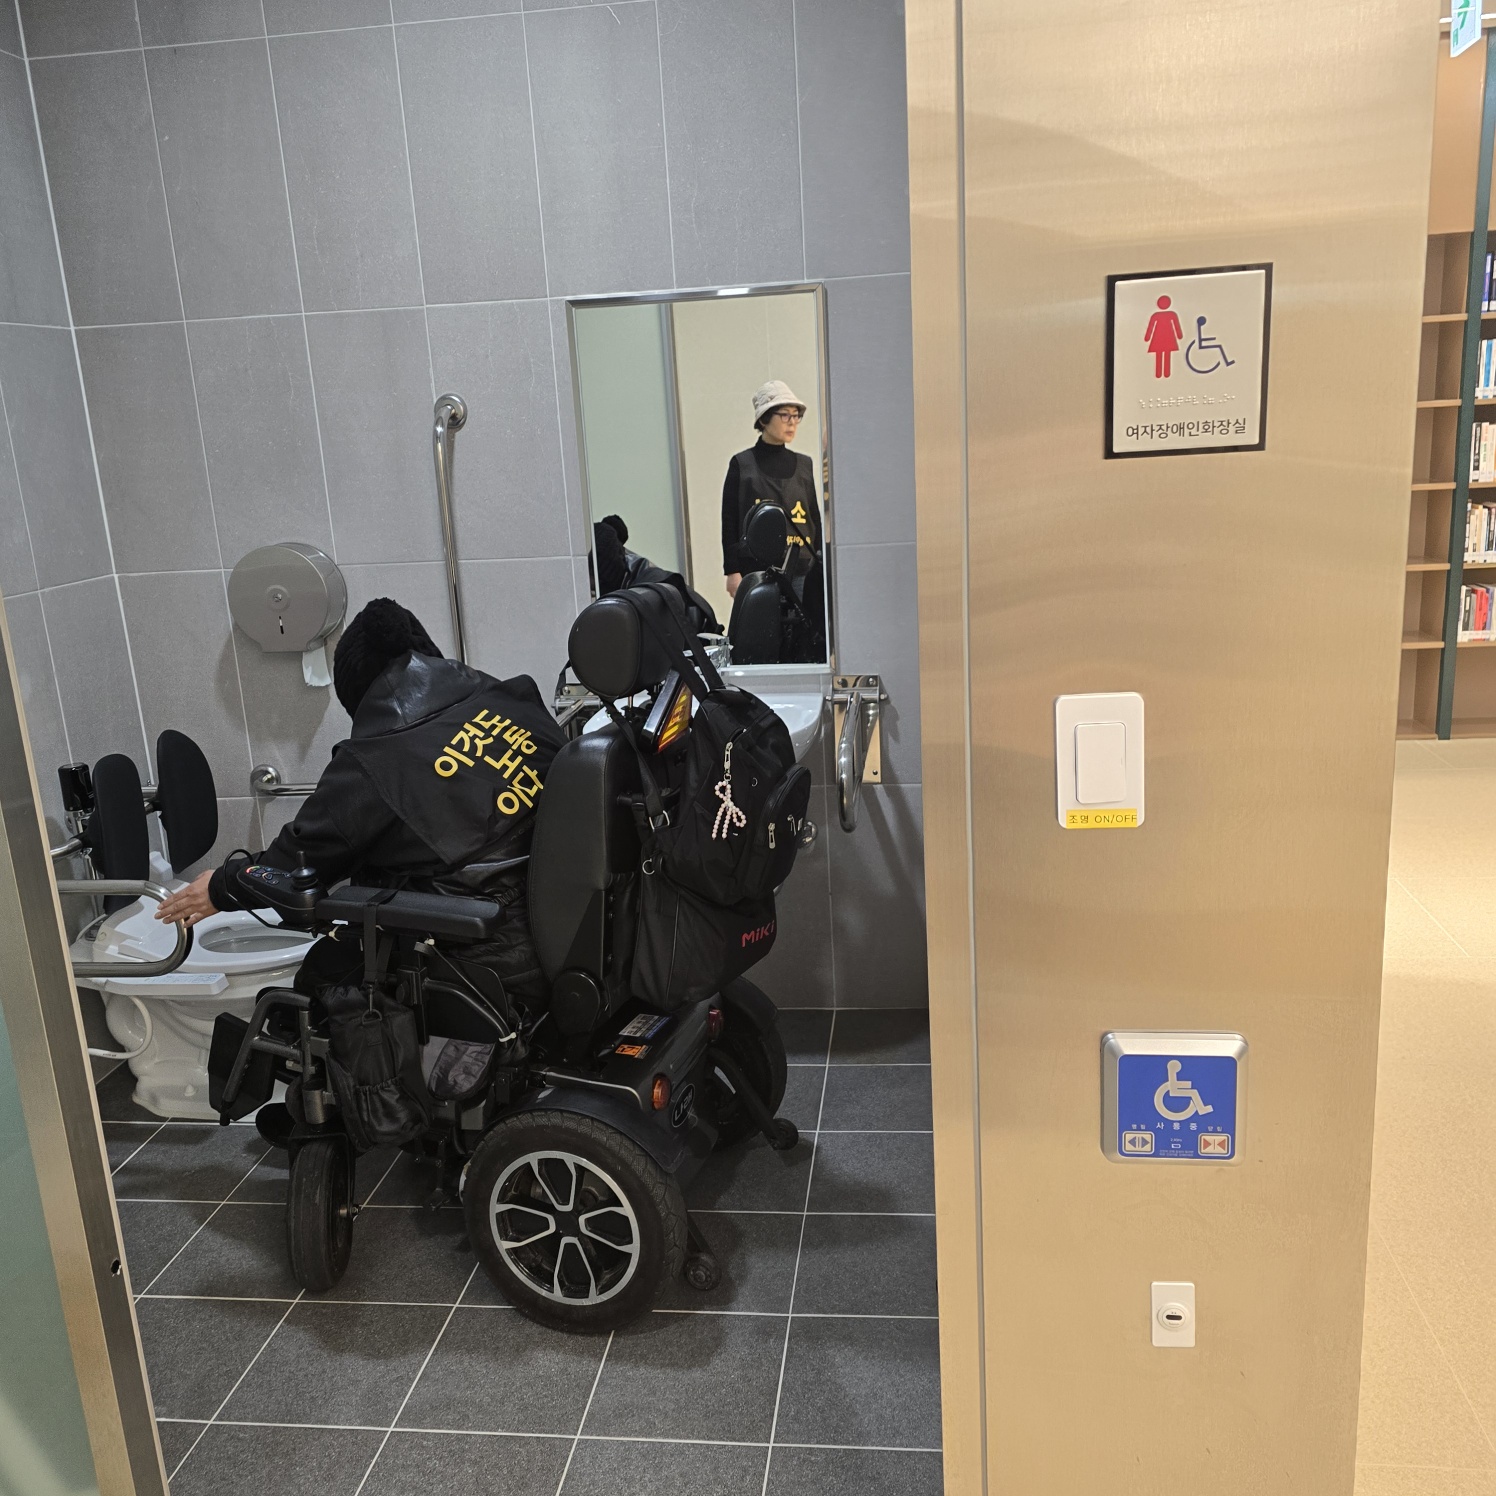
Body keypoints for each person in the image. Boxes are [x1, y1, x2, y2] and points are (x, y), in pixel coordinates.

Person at [156, 598, 564, 1005]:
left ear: (357, 695)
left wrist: (224, 885)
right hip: (562, 927)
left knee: (317, 979)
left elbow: (298, 863)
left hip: (480, 958)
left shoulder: (374, 760)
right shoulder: (511, 698)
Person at [720, 380, 824, 602]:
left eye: (796, 416)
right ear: (764, 419)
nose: (792, 422)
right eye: (785, 415)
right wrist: (732, 571)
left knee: (805, 623)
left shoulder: (804, 465)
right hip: (756, 569)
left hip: (803, 568)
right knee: (762, 623)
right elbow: (729, 521)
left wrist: (822, 564)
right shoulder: (742, 464)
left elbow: (814, 518)